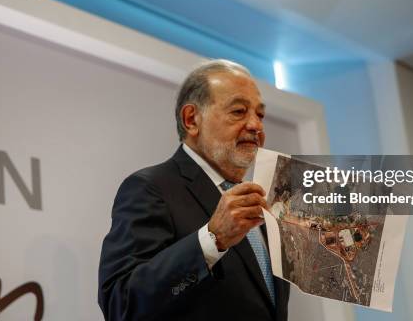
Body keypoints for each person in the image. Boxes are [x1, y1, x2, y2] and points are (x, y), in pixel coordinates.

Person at [98, 59, 290, 320]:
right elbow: (121, 303)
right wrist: (212, 239)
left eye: (260, 114)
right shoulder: (151, 188)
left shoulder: (262, 203)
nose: (256, 125)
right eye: (238, 111)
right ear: (191, 120)